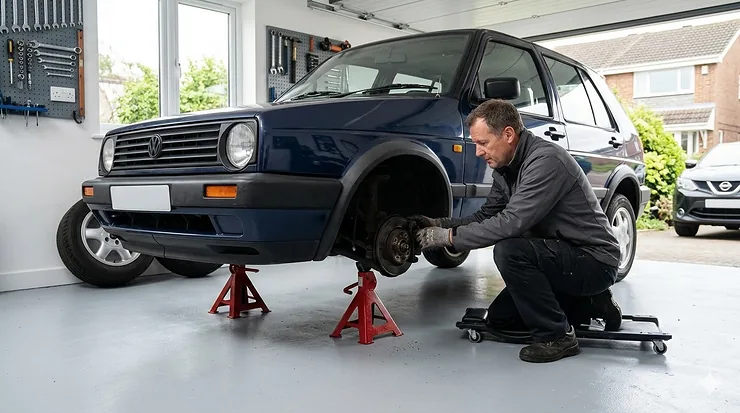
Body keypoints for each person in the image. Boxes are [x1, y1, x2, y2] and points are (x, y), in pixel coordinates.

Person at [411, 99, 623, 363]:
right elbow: (486, 216)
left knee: (510, 250)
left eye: (483, 143)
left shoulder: (545, 162)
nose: (478, 152)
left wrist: (449, 239)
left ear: (508, 134)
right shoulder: (505, 167)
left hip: (594, 260)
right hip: (562, 255)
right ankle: (591, 302)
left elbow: (512, 222)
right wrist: (440, 224)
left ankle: (557, 337)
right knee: (502, 319)